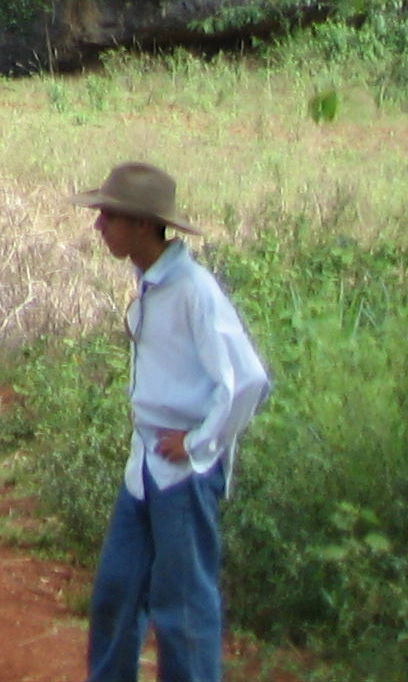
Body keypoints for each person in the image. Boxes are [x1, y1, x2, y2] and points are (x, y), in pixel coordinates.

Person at [77, 161, 271, 682]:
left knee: (182, 608)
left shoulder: (193, 290)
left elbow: (247, 379)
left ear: (143, 224)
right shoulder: (153, 281)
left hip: (180, 470)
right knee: (117, 592)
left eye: (109, 216)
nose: (99, 226)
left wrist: (199, 441)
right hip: (144, 463)